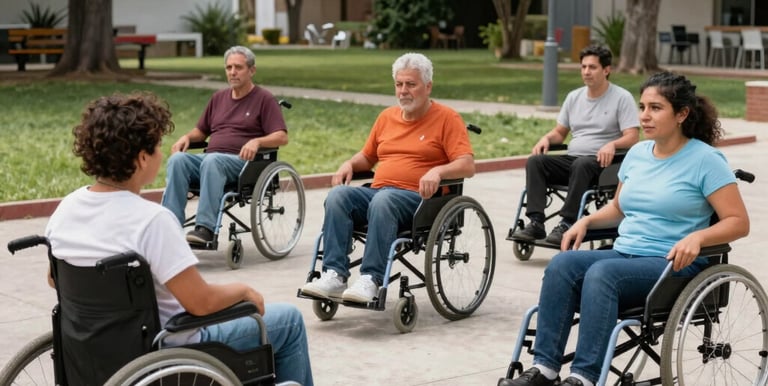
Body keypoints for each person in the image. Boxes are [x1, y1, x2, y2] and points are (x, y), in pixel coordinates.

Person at [500, 71, 750, 386]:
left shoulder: (706, 160)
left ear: (682, 114)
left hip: (672, 264)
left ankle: (584, 377)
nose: (644, 116)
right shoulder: (637, 154)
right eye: (642, 107)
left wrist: (698, 238)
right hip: (625, 253)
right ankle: (545, 368)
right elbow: (619, 208)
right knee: (562, 264)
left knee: (602, 275)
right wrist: (587, 220)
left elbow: (738, 222)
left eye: (656, 108)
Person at [45, 92, 313, 385]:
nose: (162, 154)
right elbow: (201, 303)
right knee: (288, 320)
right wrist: (245, 291)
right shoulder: (152, 221)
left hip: (96, 351)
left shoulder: (66, 208)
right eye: (157, 146)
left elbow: (54, 279)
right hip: (169, 350)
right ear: (142, 158)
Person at [300, 52, 475, 303]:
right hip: (379, 193)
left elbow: (467, 165)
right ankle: (335, 275)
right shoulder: (386, 117)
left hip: (420, 201)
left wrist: (438, 171)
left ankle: (371, 279)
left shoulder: (447, 118)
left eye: (411, 84)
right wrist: (349, 163)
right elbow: (368, 157)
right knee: (339, 195)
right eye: (399, 84)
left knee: (385, 200)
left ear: (428, 87)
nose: (403, 91)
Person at [511, 45, 640, 245]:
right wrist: (546, 138)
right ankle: (536, 222)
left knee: (582, 165)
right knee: (536, 161)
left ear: (606, 70)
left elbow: (632, 136)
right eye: (583, 67)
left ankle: (567, 223)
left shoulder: (621, 98)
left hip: (603, 164)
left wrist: (613, 145)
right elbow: (560, 133)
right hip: (573, 161)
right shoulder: (574, 97)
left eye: (593, 67)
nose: (586, 72)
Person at [161, 45, 288, 244]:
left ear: (251, 70)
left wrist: (257, 141)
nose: (232, 72)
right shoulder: (218, 98)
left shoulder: (264, 99)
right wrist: (187, 137)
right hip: (211, 160)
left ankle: (205, 229)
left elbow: (281, 136)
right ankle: (169, 226)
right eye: (228, 68)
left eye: (238, 67)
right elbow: (201, 131)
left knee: (213, 160)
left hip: (243, 164)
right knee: (178, 159)